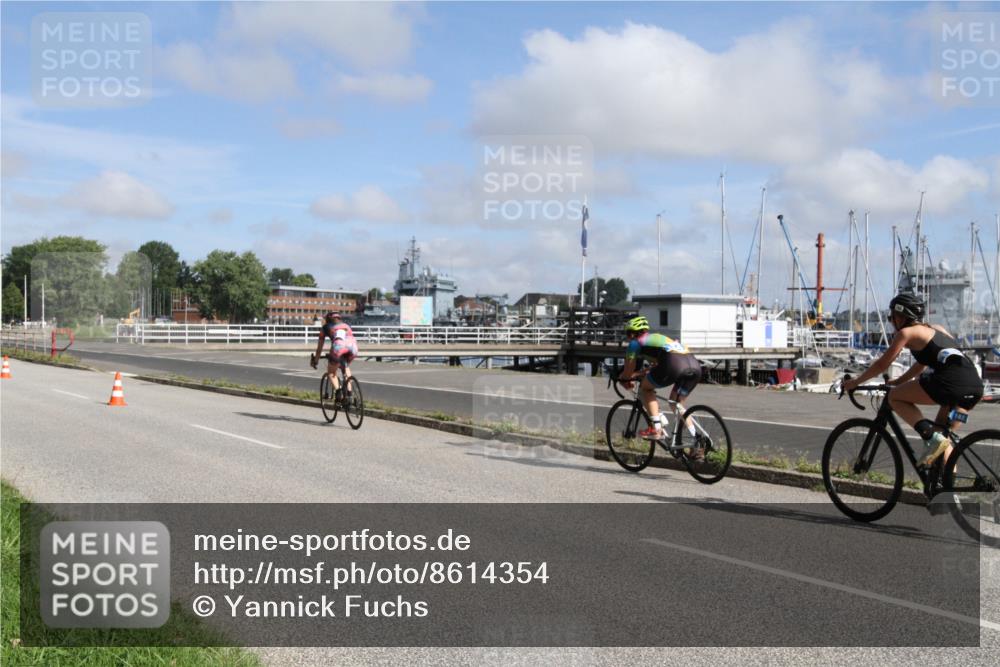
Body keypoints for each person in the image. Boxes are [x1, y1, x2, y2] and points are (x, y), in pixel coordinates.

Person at [843, 292, 984, 467]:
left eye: (891, 317)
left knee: (894, 397)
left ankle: (931, 437)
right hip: (973, 389)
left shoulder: (906, 333)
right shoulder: (938, 329)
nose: (891, 321)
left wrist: (855, 382)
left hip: (949, 384)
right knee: (943, 440)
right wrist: (899, 380)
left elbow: (882, 365)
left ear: (901, 316)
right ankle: (947, 490)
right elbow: (922, 364)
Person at [619, 316, 703, 443]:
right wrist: (638, 374)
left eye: (627, 334)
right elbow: (657, 366)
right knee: (676, 403)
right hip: (693, 365)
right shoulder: (657, 338)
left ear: (631, 333)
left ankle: (656, 429)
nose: (627, 337)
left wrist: (624, 379)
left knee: (645, 389)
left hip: (674, 364)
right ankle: (697, 440)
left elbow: (628, 370)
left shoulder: (635, 343)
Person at [311, 312, 358, 403]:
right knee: (346, 366)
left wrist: (316, 360)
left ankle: (338, 392)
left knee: (331, 372)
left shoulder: (325, 328)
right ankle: (349, 394)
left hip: (338, 347)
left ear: (327, 319)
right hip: (353, 347)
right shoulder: (346, 325)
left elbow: (319, 348)